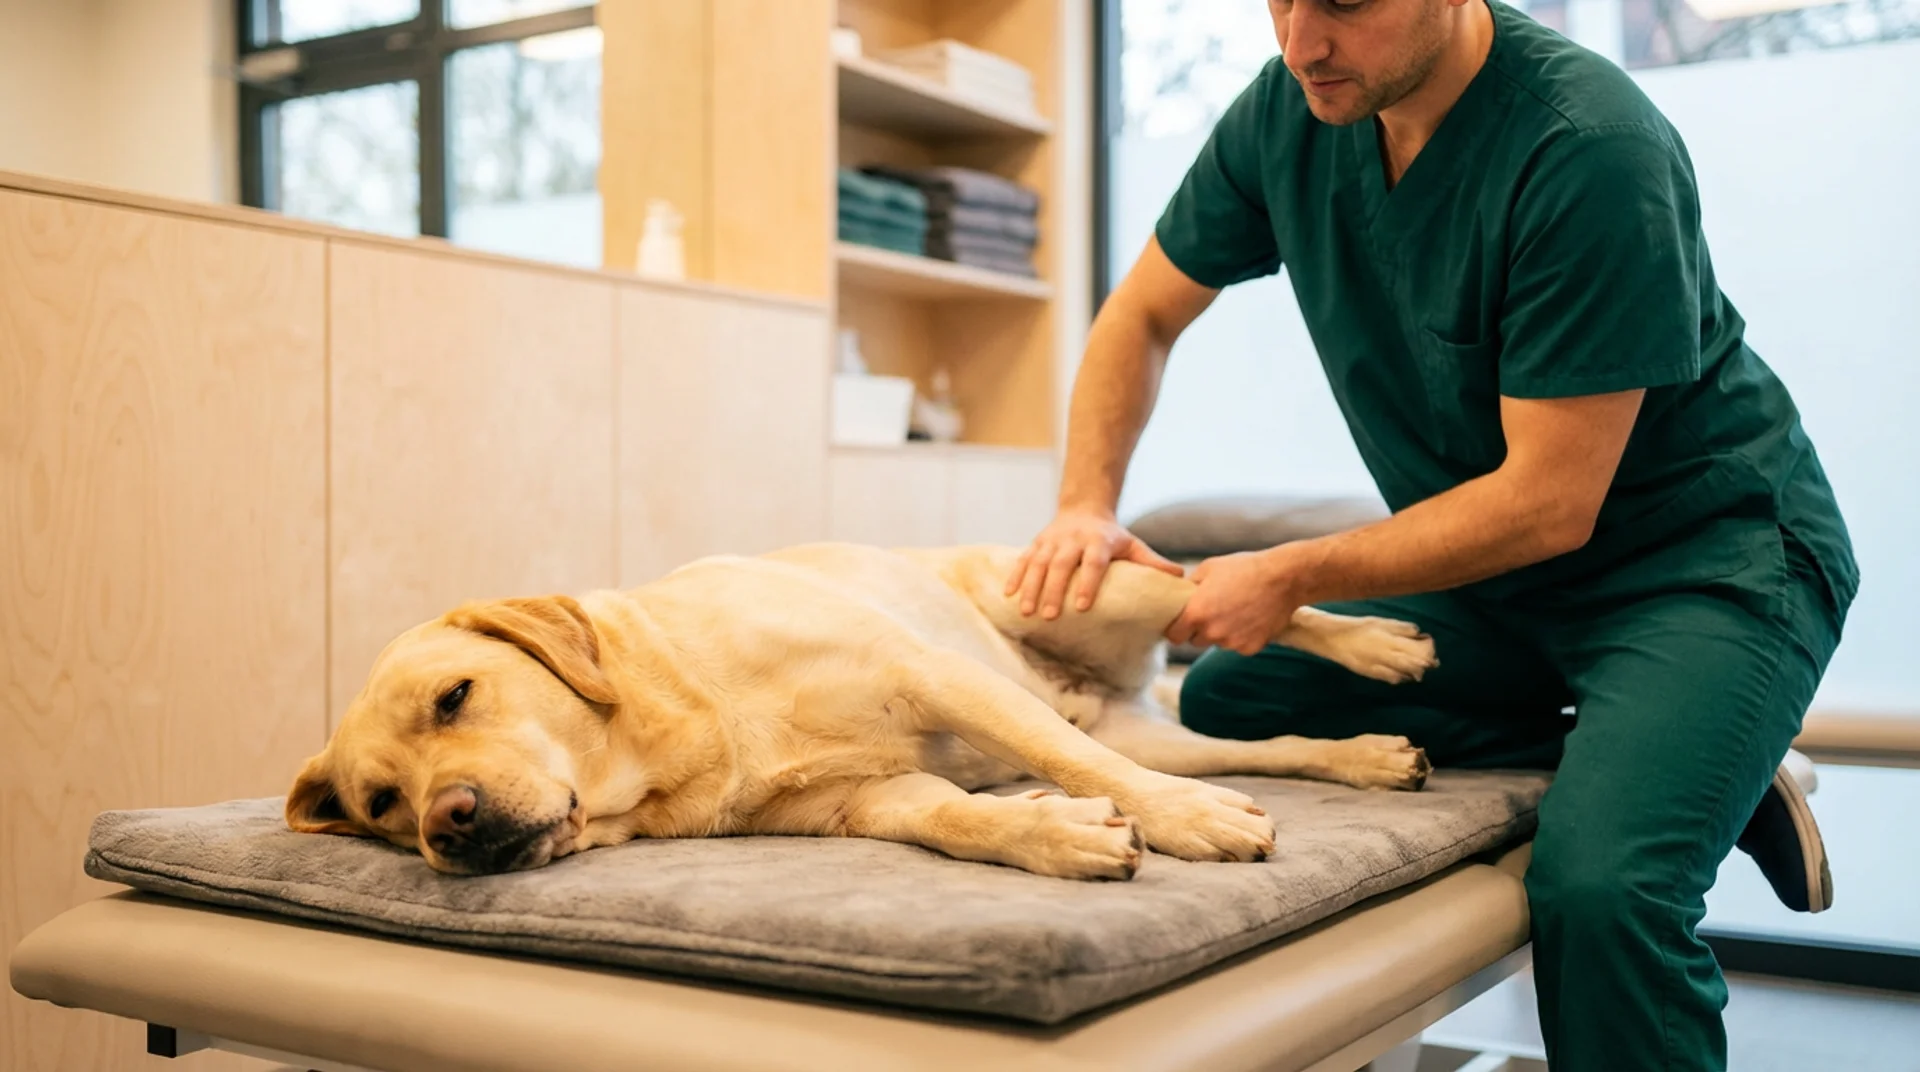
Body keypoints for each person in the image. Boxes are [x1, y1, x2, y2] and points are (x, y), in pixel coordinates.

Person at [1004, 0, 1860, 1068]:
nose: (1301, 43)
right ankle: (1670, 756)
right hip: (1507, 589)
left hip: (1704, 564)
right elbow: (1141, 314)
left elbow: (1552, 501)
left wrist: (1294, 572)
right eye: (1279, 0)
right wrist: (1086, 503)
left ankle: (1668, 752)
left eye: (1346, 5)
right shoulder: (1292, 111)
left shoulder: (1588, 146)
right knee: (1232, 695)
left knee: (1602, 886)